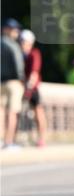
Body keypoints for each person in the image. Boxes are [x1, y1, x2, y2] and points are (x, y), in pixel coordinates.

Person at [20, 30, 47, 147]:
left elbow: (34, 73)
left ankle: (41, 139)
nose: (22, 44)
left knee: (38, 113)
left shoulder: (34, 53)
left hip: (32, 89)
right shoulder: (22, 55)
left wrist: (29, 88)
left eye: (24, 42)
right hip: (24, 88)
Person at [1, 18, 25, 149]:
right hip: (13, 82)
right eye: (13, 30)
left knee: (1, 112)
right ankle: (8, 142)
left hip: (1, 82)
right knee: (12, 112)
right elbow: (19, 66)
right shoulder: (13, 45)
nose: (16, 32)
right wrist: (22, 80)